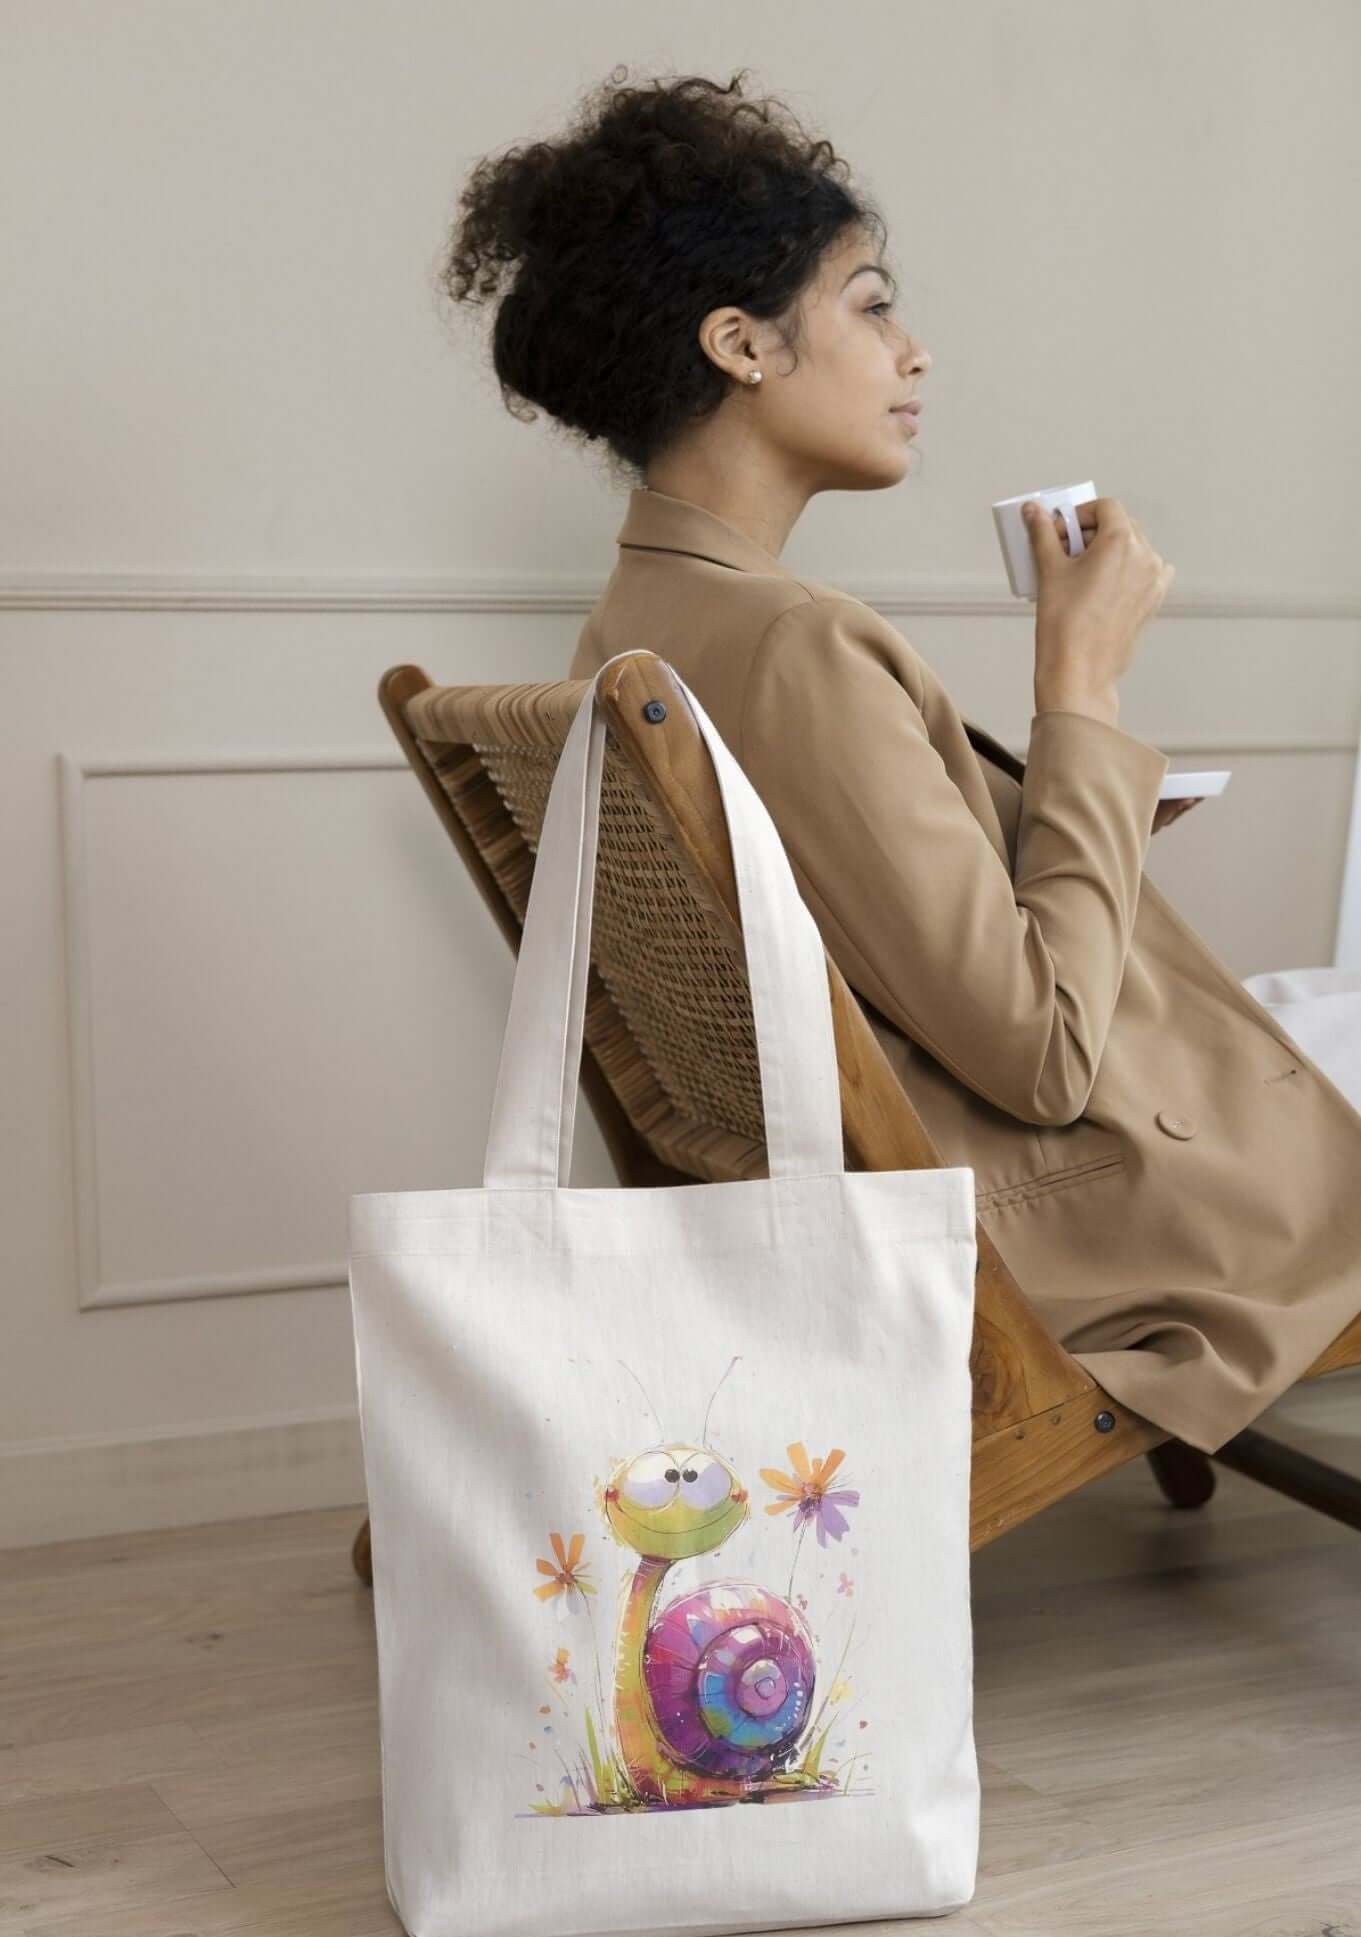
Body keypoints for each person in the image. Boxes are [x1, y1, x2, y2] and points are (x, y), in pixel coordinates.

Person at [440, 65, 1361, 1456]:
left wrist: (1031, 814)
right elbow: (1043, 1057)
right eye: (870, 307)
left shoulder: (639, 620)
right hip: (1054, 1218)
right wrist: (1080, 682)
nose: (913, 353)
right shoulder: (792, 642)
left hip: (894, 1186)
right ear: (742, 346)